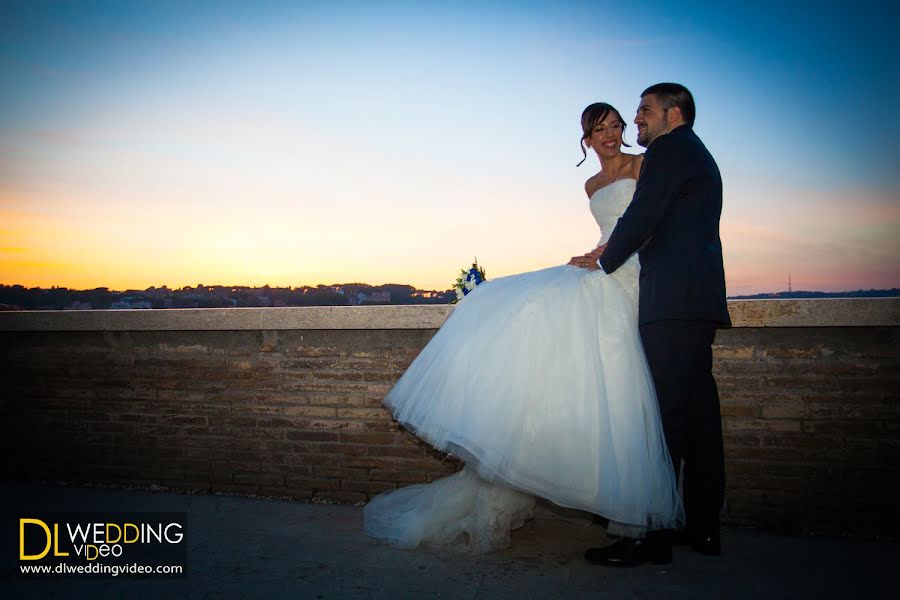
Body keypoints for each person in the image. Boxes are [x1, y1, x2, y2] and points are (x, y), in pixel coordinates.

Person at [363, 102, 683, 553]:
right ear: (586, 140)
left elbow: (648, 222)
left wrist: (606, 255)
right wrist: (594, 256)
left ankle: (632, 520)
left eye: (615, 125)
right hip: (602, 261)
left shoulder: (644, 164)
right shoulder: (590, 183)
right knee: (521, 308)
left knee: (617, 381)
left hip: (630, 270)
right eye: (599, 129)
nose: (610, 134)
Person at [575, 83, 731, 567]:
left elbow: (644, 213)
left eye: (643, 111)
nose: (635, 121)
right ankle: (702, 529)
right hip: (694, 299)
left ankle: (651, 536)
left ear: (674, 114)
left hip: (672, 301)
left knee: (660, 421)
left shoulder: (669, 151)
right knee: (699, 421)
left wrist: (603, 262)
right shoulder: (693, 152)